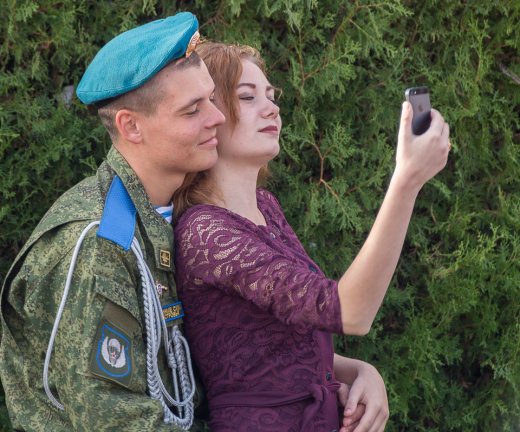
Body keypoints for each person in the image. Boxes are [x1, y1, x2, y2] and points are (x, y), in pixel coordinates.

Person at [172, 43, 450, 432]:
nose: (271, 108)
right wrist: (407, 181)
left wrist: (361, 371)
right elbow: (349, 311)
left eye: (271, 96)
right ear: (209, 115)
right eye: (248, 97)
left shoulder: (265, 207)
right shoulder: (206, 234)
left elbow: (287, 345)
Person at [0, 13, 226, 431]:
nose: (217, 118)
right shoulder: (97, 243)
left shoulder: (172, 211)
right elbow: (113, 419)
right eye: (193, 109)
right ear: (131, 126)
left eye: (211, 99)